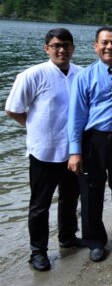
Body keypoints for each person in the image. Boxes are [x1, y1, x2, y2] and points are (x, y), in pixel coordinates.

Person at [5, 28, 84, 271]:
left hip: (72, 152)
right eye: (56, 45)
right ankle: (37, 252)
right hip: (44, 152)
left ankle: (68, 238)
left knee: (70, 199)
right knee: (40, 205)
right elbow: (13, 108)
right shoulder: (32, 75)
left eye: (66, 45)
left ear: (73, 48)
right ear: (46, 48)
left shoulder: (81, 74)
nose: (62, 50)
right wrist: (34, 127)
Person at [67, 26, 112, 262]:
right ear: (95, 46)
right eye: (105, 43)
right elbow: (76, 116)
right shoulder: (84, 77)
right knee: (91, 192)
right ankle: (95, 241)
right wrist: (75, 151)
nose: (110, 47)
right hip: (94, 141)